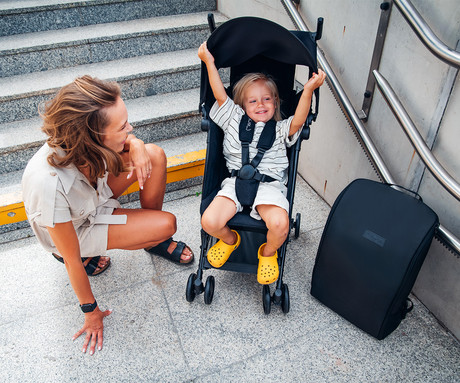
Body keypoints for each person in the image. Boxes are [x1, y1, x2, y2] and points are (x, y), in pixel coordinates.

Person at [21, 75, 194, 355]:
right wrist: (91, 312)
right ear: (94, 137)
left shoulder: (85, 143)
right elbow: (71, 260)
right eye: (123, 127)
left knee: (154, 154)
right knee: (166, 224)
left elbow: (136, 147)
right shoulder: (48, 184)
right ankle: (133, 240)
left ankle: (153, 240)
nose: (131, 128)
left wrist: (135, 144)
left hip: (95, 197)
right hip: (75, 232)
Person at [198, 42, 326, 285]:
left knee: (280, 225)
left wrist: (308, 89)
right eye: (253, 101)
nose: (261, 105)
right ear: (242, 105)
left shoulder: (279, 129)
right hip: (235, 183)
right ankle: (229, 240)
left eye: (267, 99)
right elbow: (218, 94)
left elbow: (298, 120)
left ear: (275, 102)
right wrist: (209, 62)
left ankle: (268, 252)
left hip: (268, 186)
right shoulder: (233, 119)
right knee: (209, 221)